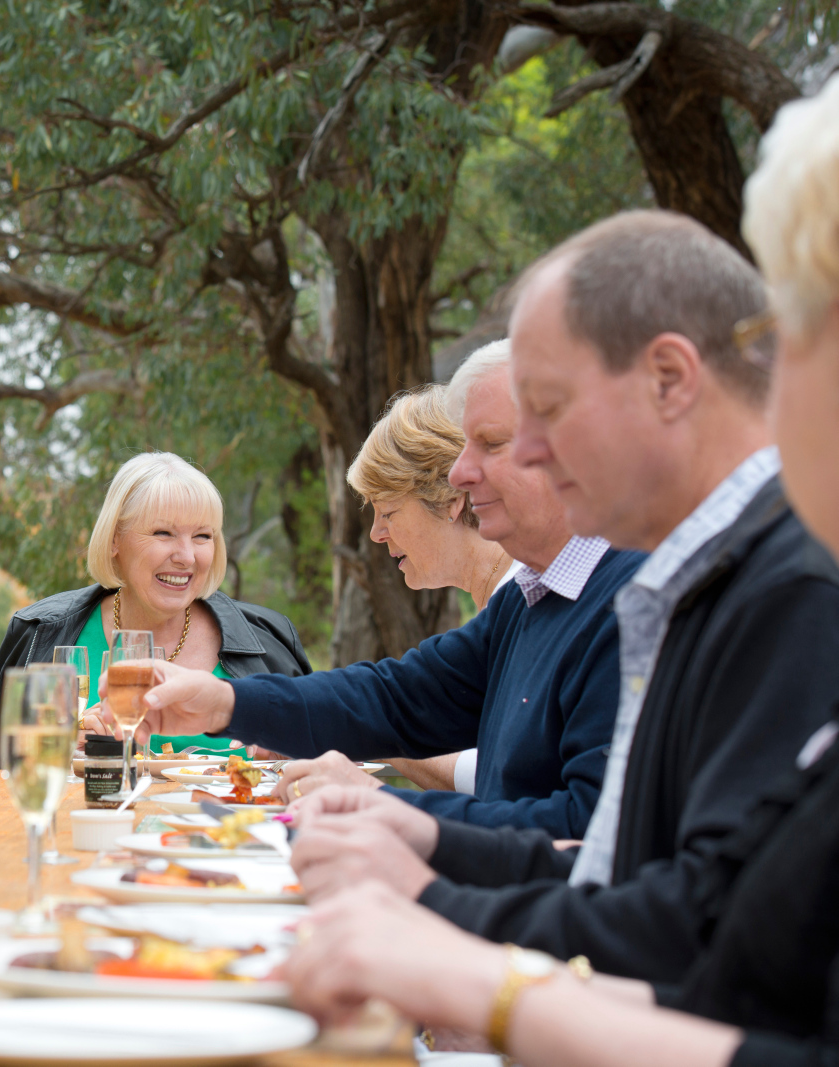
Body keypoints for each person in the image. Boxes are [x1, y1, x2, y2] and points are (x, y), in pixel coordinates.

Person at [282, 74, 839, 1067]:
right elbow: (672, 893)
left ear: (671, 376)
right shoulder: (702, 577)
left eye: (540, 411)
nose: (514, 458)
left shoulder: (791, 586)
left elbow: (719, 959)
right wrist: (427, 852)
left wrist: (472, 963)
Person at [121, 344, 643, 837]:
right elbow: (393, 697)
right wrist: (224, 702)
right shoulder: (529, 597)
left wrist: (380, 803)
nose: (460, 473)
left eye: (492, 444)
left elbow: (589, 831)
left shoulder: (632, 604)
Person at [0, 452, 311, 775]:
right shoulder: (37, 633)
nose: (187, 557)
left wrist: (291, 756)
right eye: (164, 533)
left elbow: (319, 778)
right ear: (115, 539)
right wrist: (50, 756)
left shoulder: (272, 640)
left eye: (203, 536)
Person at [331, 381, 520, 794]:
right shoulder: (496, 606)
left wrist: (372, 732)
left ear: (451, 497)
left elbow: (500, 774)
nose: (377, 534)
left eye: (389, 511)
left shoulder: (527, 605)